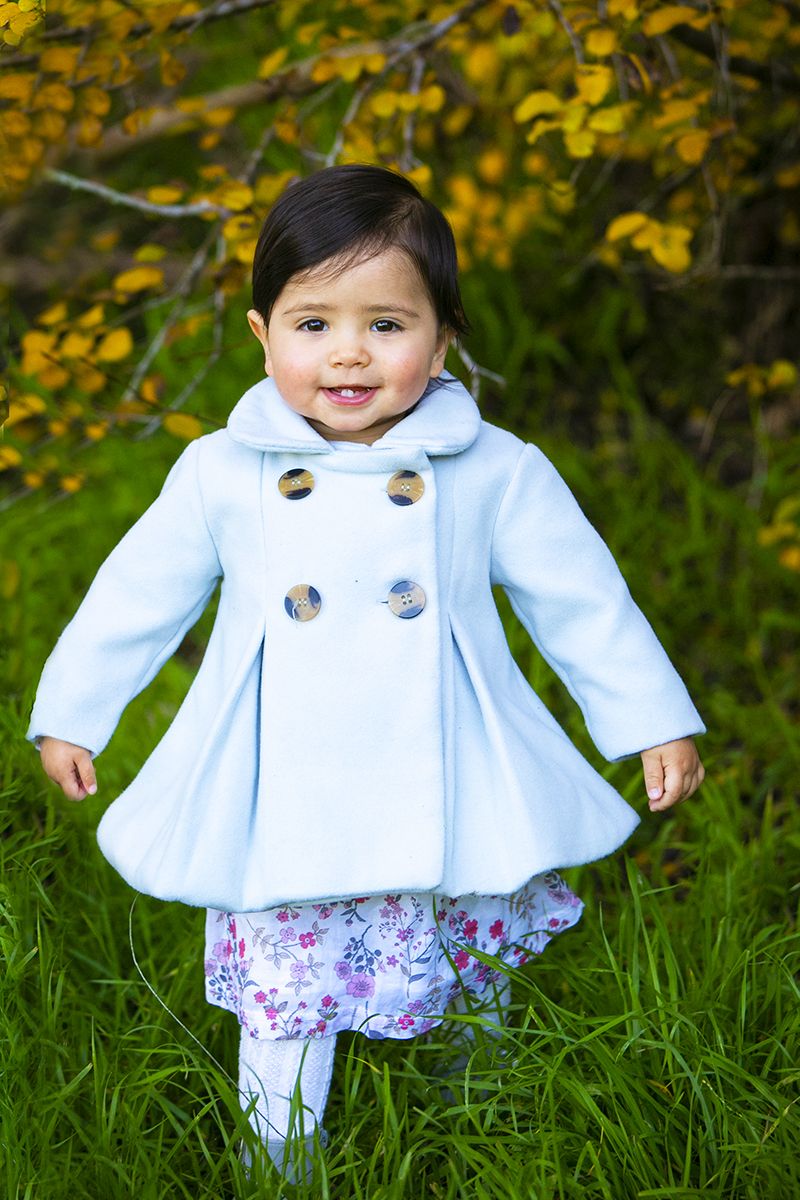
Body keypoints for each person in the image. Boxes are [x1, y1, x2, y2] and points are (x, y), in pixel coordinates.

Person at [28, 163, 705, 1182]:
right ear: (262, 336)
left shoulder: (495, 468)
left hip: (452, 768)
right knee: (288, 988)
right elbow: (137, 596)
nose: (349, 352)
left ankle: (487, 1123)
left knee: (469, 958)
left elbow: (581, 603)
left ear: (443, 339)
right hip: (285, 787)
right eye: (313, 324)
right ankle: (279, 1161)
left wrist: (652, 719)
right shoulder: (221, 470)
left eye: (387, 324)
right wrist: (74, 713)